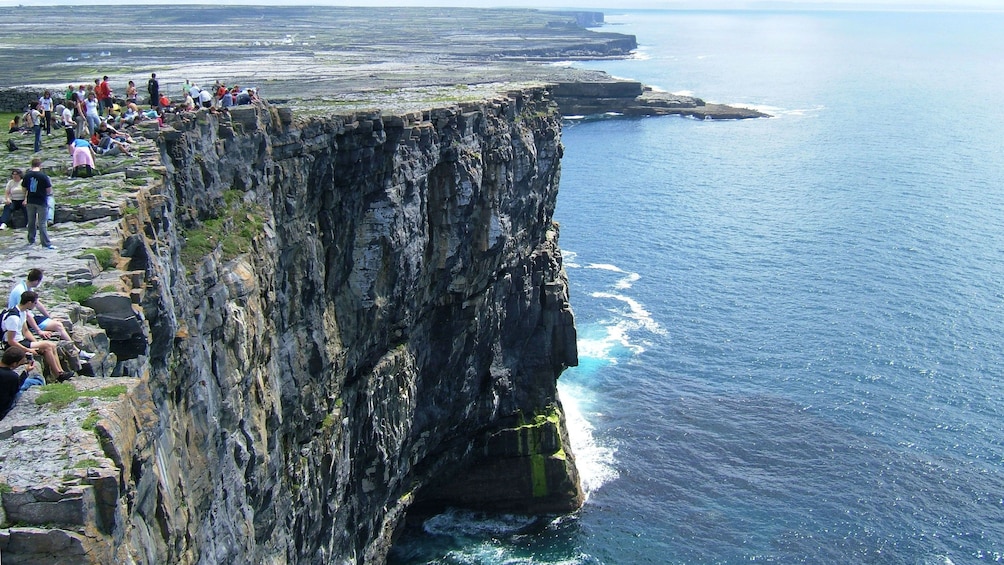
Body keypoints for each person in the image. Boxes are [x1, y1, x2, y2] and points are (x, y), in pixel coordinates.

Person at [8, 269, 94, 359]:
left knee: (57, 323)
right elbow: (27, 314)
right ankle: (77, 351)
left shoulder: (26, 286)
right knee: (58, 326)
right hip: (23, 320)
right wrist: (39, 331)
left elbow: (38, 304)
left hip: (29, 317)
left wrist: (49, 317)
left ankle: (74, 350)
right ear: (37, 281)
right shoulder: (21, 292)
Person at [2, 291, 74, 382]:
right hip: (13, 345)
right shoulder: (14, 317)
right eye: (35, 303)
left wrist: (37, 343)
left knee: (52, 345)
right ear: (29, 303)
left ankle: (60, 372)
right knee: (47, 346)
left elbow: (26, 331)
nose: (35, 305)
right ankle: (59, 375)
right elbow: (11, 341)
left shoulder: (23, 312)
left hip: (21, 340)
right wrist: (28, 350)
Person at [0, 347, 45, 421]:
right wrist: (25, 373)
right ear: (14, 364)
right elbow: (15, 390)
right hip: (4, 409)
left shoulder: (10, 375)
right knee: (37, 379)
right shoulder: (12, 376)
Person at [20, 157, 54, 249]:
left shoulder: (27, 175)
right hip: (41, 201)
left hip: (30, 200)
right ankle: (45, 243)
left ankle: (31, 239)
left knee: (31, 221)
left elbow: (23, 189)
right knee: (42, 223)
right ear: (40, 165)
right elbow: (49, 190)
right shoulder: (43, 176)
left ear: (31, 165)